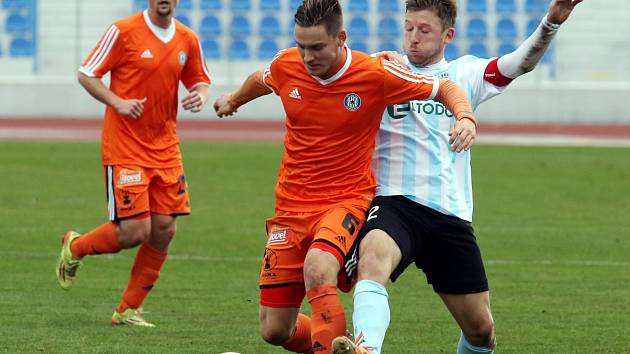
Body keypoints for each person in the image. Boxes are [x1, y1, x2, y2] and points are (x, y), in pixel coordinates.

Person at [212, 0, 478, 352]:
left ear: (341, 39)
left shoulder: (375, 74)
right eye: (301, 46)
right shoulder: (287, 64)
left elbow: (444, 88)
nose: (308, 57)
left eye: (317, 47)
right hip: (290, 209)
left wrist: (464, 117)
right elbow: (262, 79)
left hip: (345, 201)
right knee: (275, 329)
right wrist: (233, 100)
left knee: (318, 267)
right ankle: (337, 344)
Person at [331, 0, 584, 353]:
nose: (413, 38)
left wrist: (551, 22)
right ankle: (366, 349)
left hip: (448, 214)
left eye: (424, 30)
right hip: (393, 203)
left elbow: (519, 63)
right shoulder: (381, 69)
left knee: (481, 331)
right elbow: (326, 71)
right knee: (373, 258)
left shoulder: (466, 74)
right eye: (408, 28)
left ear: (448, 34)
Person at [55, 0, 211, 327]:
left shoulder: (187, 39)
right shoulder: (123, 32)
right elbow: (87, 74)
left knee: (165, 228)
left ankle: (127, 309)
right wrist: (118, 102)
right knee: (134, 231)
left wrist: (201, 94)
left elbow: (200, 80)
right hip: (125, 145)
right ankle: (75, 246)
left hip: (165, 147)